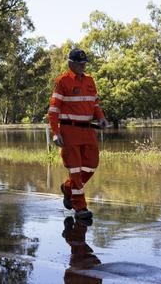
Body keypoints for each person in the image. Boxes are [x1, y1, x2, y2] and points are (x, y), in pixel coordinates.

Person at [48, 49, 107, 221]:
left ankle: (68, 188)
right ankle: (80, 207)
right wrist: (55, 132)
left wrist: (101, 117)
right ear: (70, 63)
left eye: (84, 63)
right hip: (69, 132)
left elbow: (94, 104)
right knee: (75, 170)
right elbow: (53, 110)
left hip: (88, 131)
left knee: (91, 165)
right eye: (80, 63)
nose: (83, 66)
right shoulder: (62, 81)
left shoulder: (90, 80)